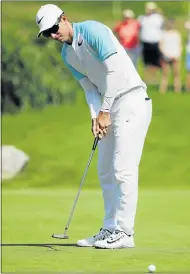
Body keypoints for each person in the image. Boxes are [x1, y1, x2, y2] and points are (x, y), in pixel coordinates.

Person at [36, 4, 152, 249]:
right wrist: (94, 116)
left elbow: (114, 72)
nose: (53, 35)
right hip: (107, 107)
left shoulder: (92, 31)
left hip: (131, 99)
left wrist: (105, 111)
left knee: (123, 170)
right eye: (47, 34)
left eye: (54, 28)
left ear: (64, 19)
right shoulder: (67, 55)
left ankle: (125, 232)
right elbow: (89, 88)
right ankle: (110, 228)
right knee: (105, 171)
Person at [139, 2, 164, 84]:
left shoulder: (158, 18)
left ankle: (154, 78)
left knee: (155, 62)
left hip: (155, 42)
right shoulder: (142, 18)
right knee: (146, 62)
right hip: (145, 42)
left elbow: (162, 27)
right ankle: (147, 79)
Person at [159, 18, 182, 94]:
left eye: (172, 23)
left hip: (175, 56)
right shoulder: (164, 34)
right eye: (169, 23)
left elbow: (180, 46)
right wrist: (165, 54)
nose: (170, 25)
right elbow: (160, 46)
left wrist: (178, 55)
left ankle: (177, 90)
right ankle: (162, 90)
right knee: (165, 74)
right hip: (166, 57)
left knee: (176, 74)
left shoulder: (177, 34)